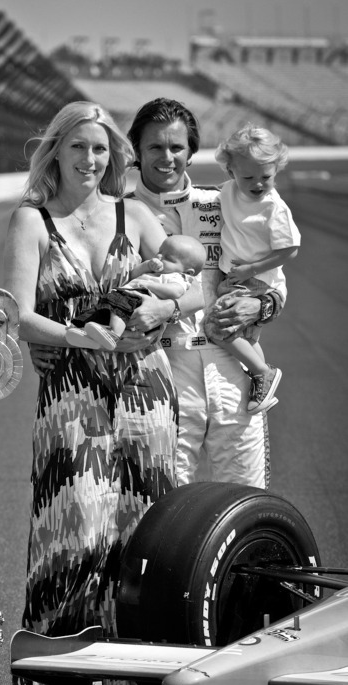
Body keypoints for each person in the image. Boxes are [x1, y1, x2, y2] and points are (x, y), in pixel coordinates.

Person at [3, 101, 201, 685]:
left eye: (102, 150)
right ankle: (59, 673)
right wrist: (70, 337)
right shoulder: (31, 221)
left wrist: (165, 311)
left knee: (140, 525)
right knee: (75, 525)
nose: (92, 160)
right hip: (71, 393)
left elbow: (199, 281)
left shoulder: (134, 213)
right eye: (79, 147)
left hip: (145, 392)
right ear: (55, 151)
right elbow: (12, 312)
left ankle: (133, 673)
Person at [121, 97, 288, 488]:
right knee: (165, 505)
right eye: (155, 147)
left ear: (191, 152)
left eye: (176, 147)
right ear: (137, 152)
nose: (167, 157)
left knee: (246, 498)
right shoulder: (118, 214)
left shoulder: (224, 202)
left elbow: (275, 281)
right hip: (161, 369)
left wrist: (260, 305)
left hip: (233, 368)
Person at [203, 124, 300, 414]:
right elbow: (213, 196)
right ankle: (262, 378)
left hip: (255, 281)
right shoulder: (230, 190)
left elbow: (290, 249)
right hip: (234, 279)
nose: (258, 183)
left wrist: (252, 269)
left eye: (266, 177)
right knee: (242, 338)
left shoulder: (273, 207)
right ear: (230, 171)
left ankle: (262, 372)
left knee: (216, 327)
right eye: (249, 177)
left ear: (276, 169)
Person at [65, 233, 206, 350]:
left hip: (142, 299)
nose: (159, 258)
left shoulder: (180, 277)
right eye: (159, 252)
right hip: (126, 294)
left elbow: (174, 292)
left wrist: (149, 285)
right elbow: (133, 275)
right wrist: (146, 266)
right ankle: (80, 330)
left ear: (188, 271)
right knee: (103, 308)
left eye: (168, 258)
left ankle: (113, 333)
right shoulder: (155, 270)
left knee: (120, 308)